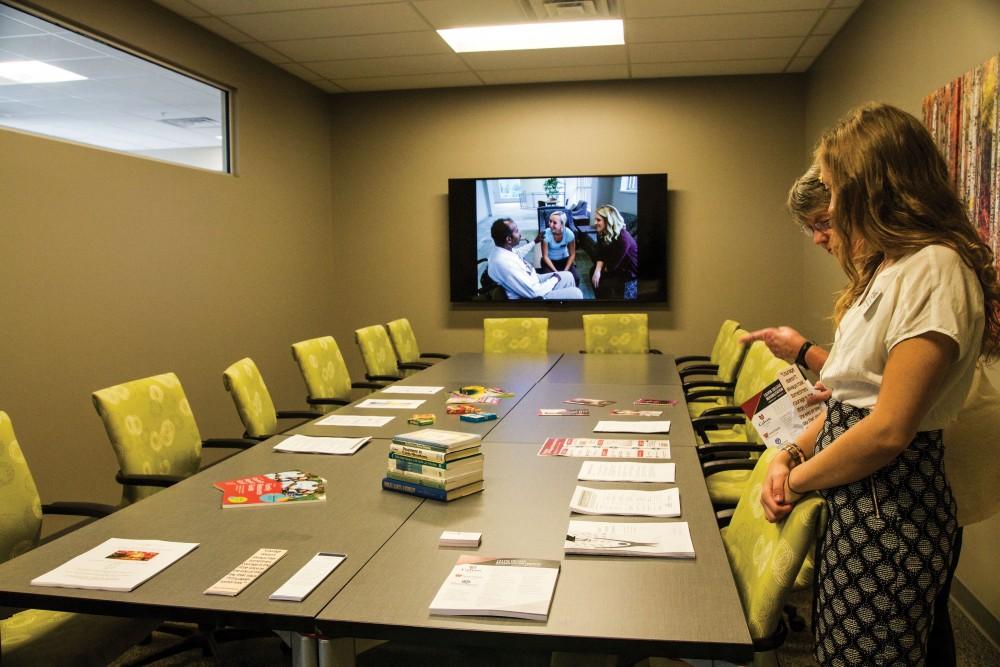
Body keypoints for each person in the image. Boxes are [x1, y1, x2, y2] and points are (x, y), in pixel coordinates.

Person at [760, 103, 1000, 667]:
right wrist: (791, 453)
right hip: (859, 495)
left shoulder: (936, 269)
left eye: (836, 189)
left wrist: (797, 480)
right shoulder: (894, 266)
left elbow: (889, 428)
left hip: (891, 509)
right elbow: (852, 398)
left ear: (873, 186)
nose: (833, 206)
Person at [486, 218, 582, 300]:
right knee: (577, 293)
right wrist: (554, 279)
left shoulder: (503, 249)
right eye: (516, 231)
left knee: (569, 275)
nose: (520, 233)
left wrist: (534, 242)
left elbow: (518, 252)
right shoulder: (504, 264)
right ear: (509, 239)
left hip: (534, 279)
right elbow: (534, 292)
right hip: (534, 297)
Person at [590, 204, 638, 299]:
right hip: (614, 263)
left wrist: (601, 271)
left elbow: (612, 266)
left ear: (608, 221)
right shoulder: (601, 232)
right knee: (593, 271)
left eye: (598, 220)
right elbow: (600, 252)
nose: (595, 223)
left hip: (628, 269)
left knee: (605, 283)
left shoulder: (623, 238)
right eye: (595, 219)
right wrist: (597, 270)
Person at [539, 210, 579, 285]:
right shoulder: (546, 234)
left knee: (576, 279)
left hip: (564, 260)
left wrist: (565, 271)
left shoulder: (569, 234)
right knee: (550, 282)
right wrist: (556, 272)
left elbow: (572, 254)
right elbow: (545, 256)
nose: (551, 225)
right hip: (549, 261)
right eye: (550, 221)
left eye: (554, 223)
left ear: (562, 224)